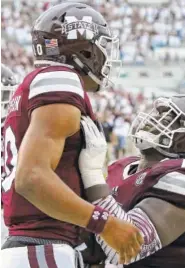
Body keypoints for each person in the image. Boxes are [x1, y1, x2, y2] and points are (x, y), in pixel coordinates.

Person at [1, 2, 143, 268]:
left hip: (40, 246)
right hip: (42, 247)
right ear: (84, 49)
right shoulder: (60, 78)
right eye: (101, 46)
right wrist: (105, 223)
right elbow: (31, 178)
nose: (106, 55)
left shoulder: (40, 84)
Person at [78, 95, 185, 268]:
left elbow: (125, 249)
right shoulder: (122, 166)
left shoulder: (179, 177)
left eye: (171, 118)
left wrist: (91, 173)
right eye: (158, 113)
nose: (156, 118)